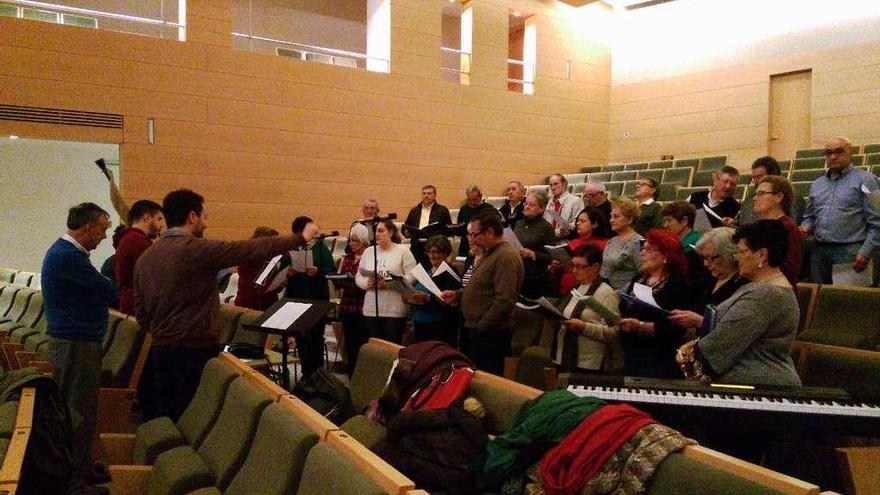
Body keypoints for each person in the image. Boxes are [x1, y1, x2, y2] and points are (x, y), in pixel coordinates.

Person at [134, 189, 317, 420]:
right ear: (192, 217)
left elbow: (140, 311)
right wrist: (300, 237)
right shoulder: (195, 250)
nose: (206, 223)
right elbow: (249, 249)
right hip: (194, 351)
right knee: (194, 417)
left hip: (160, 350)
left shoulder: (146, 257)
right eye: (204, 216)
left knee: (166, 414)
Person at [42, 203, 117, 489]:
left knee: (79, 408)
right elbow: (107, 290)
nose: (104, 236)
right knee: (78, 411)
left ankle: (82, 467)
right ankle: (76, 481)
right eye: (102, 228)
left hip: (75, 341)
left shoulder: (68, 254)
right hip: (75, 343)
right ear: (87, 227)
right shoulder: (68, 257)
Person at [676, 219, 801, 387]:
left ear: (762, 255)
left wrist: (686, 352)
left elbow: (720, 344)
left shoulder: (765, 294)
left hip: (757, 388)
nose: (737, 258)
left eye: (741, 252)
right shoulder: (761, 288)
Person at [441, 211, 524, 374]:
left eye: (473, 234)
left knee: (487, 378)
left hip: (491, 333)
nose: (470, 239)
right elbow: (481, 286)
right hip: (478, 329)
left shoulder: (505, 256)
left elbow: (504, 299)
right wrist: (458, 295)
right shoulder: (490, 252)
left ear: (489, 232)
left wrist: (481, 327)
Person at [800, 136, 880, 284]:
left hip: (851, 252)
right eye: (828, 153)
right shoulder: (817, 184)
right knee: (819, 302)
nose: (833, 156)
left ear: (850, 153)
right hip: (819, 253)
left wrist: (866, 251)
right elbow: (810, 216)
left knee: (848, 303)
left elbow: (878, 220)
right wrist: (806, 226)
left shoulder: (868, 180)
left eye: (839, 151)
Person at [617, 229, 693, 379]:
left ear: (666, 256)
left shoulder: (678, 285)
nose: (643, 253)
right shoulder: (639, 278)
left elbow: (677, 328)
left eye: (649, 249)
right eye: (642, 248)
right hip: (631, 355)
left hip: (660, 359)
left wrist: (641, 326)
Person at [551, 244, 622, 373]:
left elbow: (613, 332)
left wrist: (584, 327)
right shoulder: (575, 288)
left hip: (588, 363)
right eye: (573, 265)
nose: (575, 271)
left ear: (595, 268)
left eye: (580, 266)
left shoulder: (606, 293)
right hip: (564, 356)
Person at [668, 227, 748, 333]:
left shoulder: (742, 283)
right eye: (704, 258)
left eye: (712, 258)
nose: (706, 263)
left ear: (729, 254)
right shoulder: (709, 278)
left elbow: (734, 330)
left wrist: (699, 321)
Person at [282, 216, 335, 376]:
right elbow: (281, 272)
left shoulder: (320, 247)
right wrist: (288, 273)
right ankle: (306, 374)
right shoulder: (290, 249)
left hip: (317, 296)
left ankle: (317, 375)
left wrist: (318, 271)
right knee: (301, 338)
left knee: (316, 337)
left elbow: (331, 269)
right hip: (297, 296)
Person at [355, 219, 418, 344]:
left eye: (381, 231)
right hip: (371, 308)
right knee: (375, 349)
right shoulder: (369, 252)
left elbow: (413, 275)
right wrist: (367, 283)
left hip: (394, 308)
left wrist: (390, 283)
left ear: (390, 232)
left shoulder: (402, 251)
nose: (377, 234)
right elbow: (359, 276)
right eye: (375, 231)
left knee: (391, 347)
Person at [113, 200, 165, 314]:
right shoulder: (136, 241)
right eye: (159, 219)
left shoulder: (131, 239)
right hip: (137, 309)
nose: (162, 225)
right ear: (146, 218)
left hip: (133, 305)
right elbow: (157, 274)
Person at [409, 235, 460, 346]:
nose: (432, 255)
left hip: (438, 325)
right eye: (429, 252)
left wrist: (427, 298)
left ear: (445, 253)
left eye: (436, 252)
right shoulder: (428, 270)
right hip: (420, 321)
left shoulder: (449, 271)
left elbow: (451, 300)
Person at [753, 176, 802, 287]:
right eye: (755, 194)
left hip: (776, 290)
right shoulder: (762, 226)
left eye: (761, 193)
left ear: (778, 197)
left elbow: (786, 271)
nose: (755, 198)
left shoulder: (786, 227)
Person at [337, 223, 370, 377]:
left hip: (362, 306)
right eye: (350, 241)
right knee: (350, 345)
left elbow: (366, 281)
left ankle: (361, 377)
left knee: (362, 344)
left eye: (355, 241)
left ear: (364, 241)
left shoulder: (369, 258)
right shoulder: (347, 259)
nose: (351, 244)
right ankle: (351, 376)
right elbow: (341, 278)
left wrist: (352, 281)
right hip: (347, 306)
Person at [556, 207, 611, 295]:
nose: (578, 223)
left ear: (595, 224)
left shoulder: (604, 245)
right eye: (578, 220)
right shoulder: (573, 242)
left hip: (585, 290)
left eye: (582, 221)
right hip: (564, 287)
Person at [739, 156, 807, 225]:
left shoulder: (793, 198)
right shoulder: (751, 197)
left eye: (759, 177)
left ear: (774, 175)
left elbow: (788, 226)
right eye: (754, 179)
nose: (756, 182)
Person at [514, 191, 556, 298]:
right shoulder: (519, 224)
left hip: (534, 277)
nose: (527, 207)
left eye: (531, 205)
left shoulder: (546, 228)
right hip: (516, 272)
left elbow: (551, 257)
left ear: (542, 209)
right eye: (526, 204)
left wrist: (533, 254)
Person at [233, 227, 283, 311]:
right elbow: (263, 287)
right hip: (256, 305)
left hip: (246, 302)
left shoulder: (247, 256)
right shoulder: (258, 260)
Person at [403, 184, 453, 264]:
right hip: (417, 247)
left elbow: (449, 229)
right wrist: (406, 232)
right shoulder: (414, 211)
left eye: (429, 193)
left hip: (435, 248)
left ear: (435, 195)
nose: (426, 196)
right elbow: (406, 226)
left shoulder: (442, 210)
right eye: (424, 193)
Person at [600, 198, 642, 290]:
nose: (611, 220)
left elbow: (643, 274)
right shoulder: (611, 241)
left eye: (616, 216)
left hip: (624, 295)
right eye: (611, 216)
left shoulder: (637, 242)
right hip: (606, 290)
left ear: (630, 219)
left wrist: (624, 291)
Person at [455, 185, 499, 257]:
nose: (472, 203)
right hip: (465, 245)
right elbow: (459, 226)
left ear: (480, 197)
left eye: (475, 200)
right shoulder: (464, 209)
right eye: (469, 200)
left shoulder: (489, 209)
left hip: (482, 246)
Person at [544, 174, 584, 240]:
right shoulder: (549, 202)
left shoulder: (575, 201)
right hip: (548, 239)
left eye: (556, 184)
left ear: (564, 184)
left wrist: (558, 232)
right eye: (551, 185)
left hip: (567, 240)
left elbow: (576, 222)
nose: (553, 188)